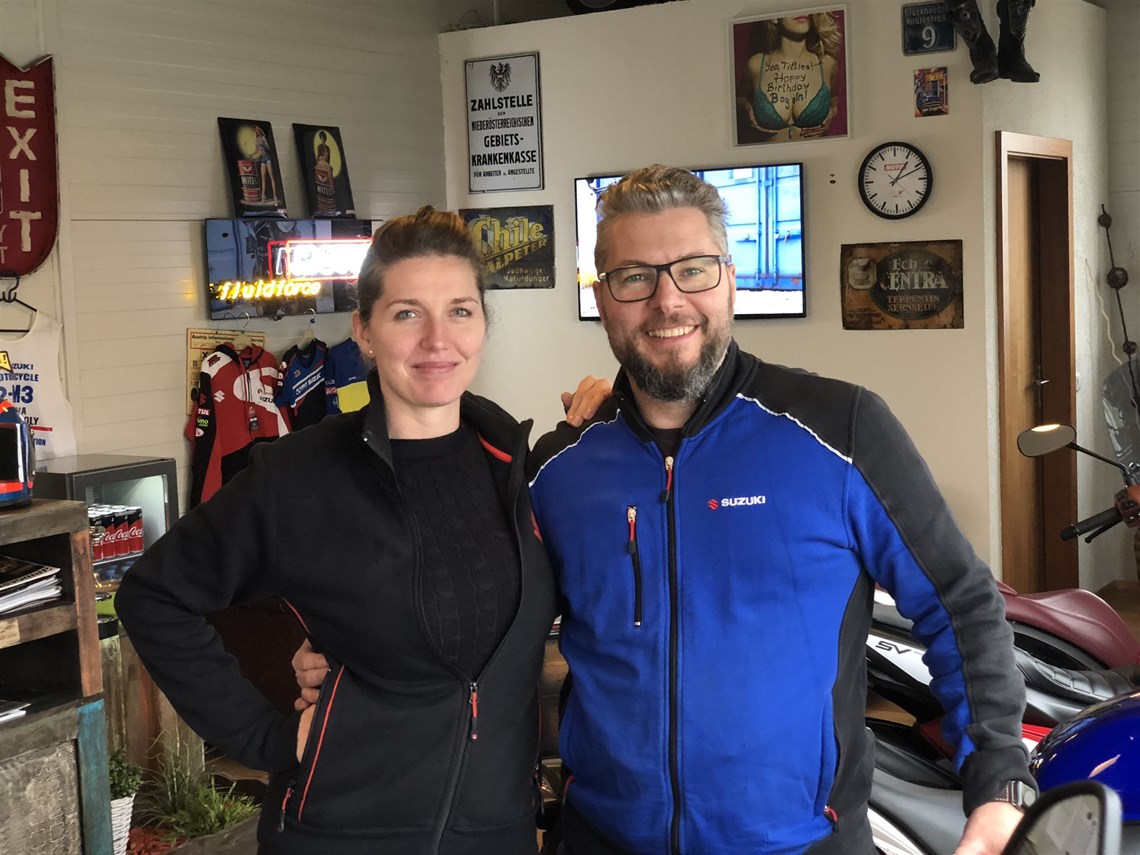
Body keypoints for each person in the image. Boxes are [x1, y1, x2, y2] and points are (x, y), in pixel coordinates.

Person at [299, 165, 1034, 853]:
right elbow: (483, 616)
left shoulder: (840, 431)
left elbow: (959, 602)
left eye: (693, 269)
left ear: (730, 279)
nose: (668, 300)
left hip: (803, 841)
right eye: (634, 277)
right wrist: (354, 653)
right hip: (601, 837)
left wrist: (999, 780)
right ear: (602, 297)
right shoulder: (558, 470)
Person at [116, 206, 608, 855]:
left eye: (460, 311)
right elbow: (153, 596)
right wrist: (268, 738)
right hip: (341, 832)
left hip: (498, 832)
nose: (438, 339)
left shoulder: (515, 470)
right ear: (365, 333)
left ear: (483, 325)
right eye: (407, 314)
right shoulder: (300, 474)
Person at [735, 13, 842, 143]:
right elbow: (739, 97)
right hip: (769, 154)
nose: (801, 12)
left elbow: (834, 99)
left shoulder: (827, 63)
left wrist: (831, 113)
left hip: (816, 153)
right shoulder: (756, 64)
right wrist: (748, 109)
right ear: (774, 17)